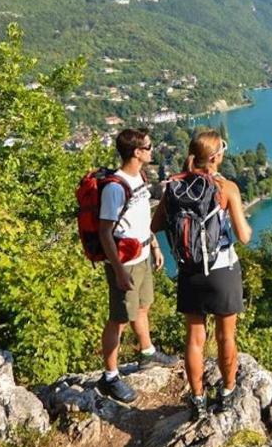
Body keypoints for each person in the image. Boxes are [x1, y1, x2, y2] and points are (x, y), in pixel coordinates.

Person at [151, 130, 252, 418]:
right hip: (222, 271)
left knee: (195, 339)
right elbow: (244, 236)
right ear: (217, 157)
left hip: (189, 270)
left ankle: (197, 398)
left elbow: (155, 225)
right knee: (225, 336)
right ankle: (228, 390)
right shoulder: (226, 187)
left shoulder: (174, 187)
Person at [96, 128, 179, 403]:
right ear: (136, 152)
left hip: (142, 255)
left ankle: (147, 353)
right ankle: (109, 376)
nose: (152, 150)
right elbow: (105, 231)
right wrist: (119, 270)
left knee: (143, 306)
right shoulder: (115, 187)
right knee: (118, 319)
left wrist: (154, 245)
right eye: (148, 146)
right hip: (126, 263)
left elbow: (141, 218)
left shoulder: (139, 177)